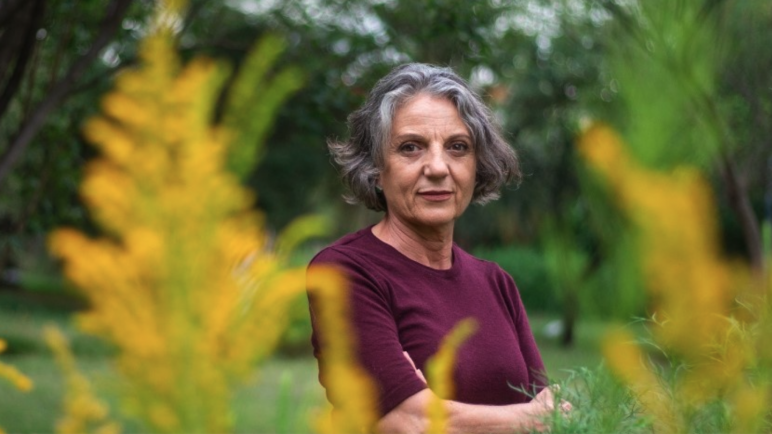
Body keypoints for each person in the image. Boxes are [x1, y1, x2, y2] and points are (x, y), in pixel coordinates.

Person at [307, 63, 569, 433]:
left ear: (477, 165)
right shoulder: (345, 272)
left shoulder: (496, 282)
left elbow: (552, 417)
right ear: (375, 168)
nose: (437, 167)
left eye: (457, 147)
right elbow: (408, 422)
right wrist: (527, 419)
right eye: (410, 147)